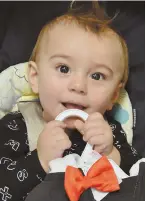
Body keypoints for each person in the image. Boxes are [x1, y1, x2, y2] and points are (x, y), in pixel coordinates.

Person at [0, 3, 141, 201]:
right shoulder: (15, 126)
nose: (78, 86)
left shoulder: (110, 131)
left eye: (97, 76)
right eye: (64, 69)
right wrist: (39, 159)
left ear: (113, 96)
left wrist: (111, 154)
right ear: (35, 77)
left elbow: (138, 179)